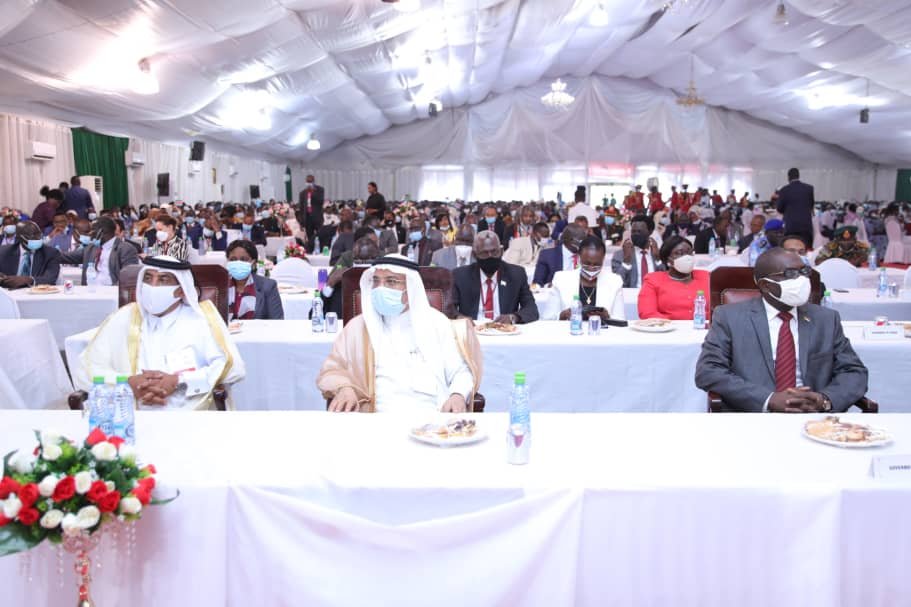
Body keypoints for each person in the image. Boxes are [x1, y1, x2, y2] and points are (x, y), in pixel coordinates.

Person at [695, 248, 868, 412]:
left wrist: (824, 400)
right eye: (791, 274)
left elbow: (854, 372)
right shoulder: (729, 317)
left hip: (814, 417)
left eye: (804, 272)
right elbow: (709, 371)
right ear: (765, 285)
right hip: (753, 416)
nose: (802, 280)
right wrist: (768, 399)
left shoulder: (826, 319)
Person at [317, 255, 482, 413]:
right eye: (376, 281)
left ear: (411, 288)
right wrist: (344, 388)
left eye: (391, 281)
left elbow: (460, 371)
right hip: (374, 417)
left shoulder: (438, 324)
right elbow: (332, 369)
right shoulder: (358, 328)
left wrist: (458, 395)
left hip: (433, 417)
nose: (380, 288)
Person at [76, 256, 246, 409]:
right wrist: (128, 383)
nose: (153, 286)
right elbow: (87, 367)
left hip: (189, 413)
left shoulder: (202, 319)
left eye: (163, 280)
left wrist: (179, 381)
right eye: (148, 278)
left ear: (181, 290)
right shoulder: (124, 317)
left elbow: (232, 368)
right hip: (129, 412)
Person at [452, 231, 539, 324]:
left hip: (505, 329)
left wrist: (513, 318)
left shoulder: (516, 274)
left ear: (501, 251)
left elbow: (531, 309)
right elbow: (449, 308)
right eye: (484, 253)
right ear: (474, 254)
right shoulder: (460, 275)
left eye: (494, 252)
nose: (490, 256)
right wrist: (459, 317)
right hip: (473, 328)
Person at [549, 235, 624, 322]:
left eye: (597, 264)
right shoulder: (561, 279)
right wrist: (563, 315)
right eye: (587, 263)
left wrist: (607, 317)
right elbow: (548, 318)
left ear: (603, 259)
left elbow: (621, 320)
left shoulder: (615, 282)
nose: (591, 268)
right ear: (579, 257)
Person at [637, 235, 710, 321]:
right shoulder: (653, 280)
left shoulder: (707, 276)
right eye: (679, 253)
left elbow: (718, 309)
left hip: (704, 327)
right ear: (668, 260)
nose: (687, 257)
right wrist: (674, 325)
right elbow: (647, 313)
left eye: (689, 252)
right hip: (668, 328)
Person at [59, 217, 139, 286]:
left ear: (101, 232)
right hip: (89, 292)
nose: (90, 234)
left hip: (112, 293)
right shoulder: (91, 248)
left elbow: (129, 278)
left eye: (92, 230)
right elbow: (66, 257)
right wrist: (51, 251)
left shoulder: (125, 249)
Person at [320, 234, 381, 317]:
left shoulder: (384, 283)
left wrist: (329, 286)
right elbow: (316, 313)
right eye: (359, 261)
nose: (363, 265)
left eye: (368, 260)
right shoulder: (339, 282)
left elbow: (315, 314)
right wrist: (330, 284)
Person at [226, 240, 284, 320]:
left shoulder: (268, 286)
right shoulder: (220, 286)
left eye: (243, 259)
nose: (238, 263)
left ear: (253, 262)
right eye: (233, 259)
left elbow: (277, 320)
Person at [0, 220, 61, 288]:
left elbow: (50, 278)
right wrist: (4, 280)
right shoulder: (3, 252)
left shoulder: (50, 253)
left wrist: (30, 280)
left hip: (36, 292)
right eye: (31, 236)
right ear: (19, 238)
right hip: (9, 291)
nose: (36, 238)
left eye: (38, 235)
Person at [611, 215, 664, 288]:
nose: (636, 235)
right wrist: (626, 262)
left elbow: (666, 280)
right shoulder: (620, 255)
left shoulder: (658, 253)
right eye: (633, 231)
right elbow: (616, 283)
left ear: (650, 232)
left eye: (639, 231)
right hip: (631, 294)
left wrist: (658, 260)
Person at [775, 168, 815, 247]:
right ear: (798, 176)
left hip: (790, 226)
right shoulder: (809, 188)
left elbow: (779, 208)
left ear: (788, 177)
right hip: (806, 226)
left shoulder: (784, 190)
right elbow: (811, 205)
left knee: (790, 249)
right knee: (806, 249)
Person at [298, 175, 325, 253]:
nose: (309, 183)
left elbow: (320, 201)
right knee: (310, 236)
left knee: (320, 235)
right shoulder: (302, 193)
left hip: (317, 218)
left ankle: (321, 250)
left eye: (310, 181)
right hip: (308, 218)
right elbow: (301, 208)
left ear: (314, 181)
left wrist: (312, 193)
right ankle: (310, 251)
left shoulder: (320, 190)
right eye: (308, 182)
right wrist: (301, 222)